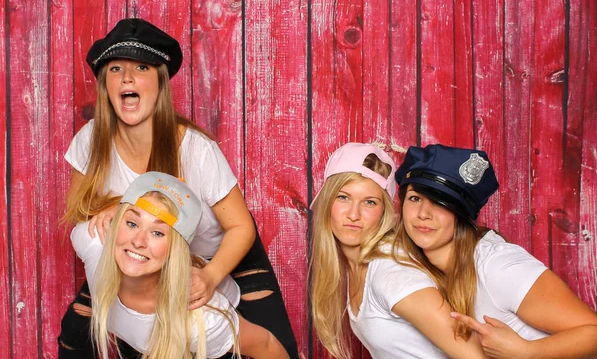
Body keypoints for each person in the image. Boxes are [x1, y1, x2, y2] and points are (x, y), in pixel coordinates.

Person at [58, 18, 298, 358]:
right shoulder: (90, 140)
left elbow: (241, 227)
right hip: (150, 259)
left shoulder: (196, 149)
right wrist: (111, 208)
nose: (127, 78)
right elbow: (79, 209)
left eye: (141, 67)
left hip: (222, 252)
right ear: (105, 84)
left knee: (275, 345)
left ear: (160, 81)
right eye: (115, 68)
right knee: (76, 332)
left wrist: (211, 276)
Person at [394, 144, 597, 359]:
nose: (423, 214)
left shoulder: (497, 265)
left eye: (440, 202)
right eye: (415, 198)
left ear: (461, 214)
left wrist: (526, 352)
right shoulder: (413, 267)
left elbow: (596, 335)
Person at [71, 171, 289, 359]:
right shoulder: (91, 241)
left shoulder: (200, 322)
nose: (138, 241)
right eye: (131, 223)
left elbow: (267, 345)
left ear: (174, 251)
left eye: (157, 232)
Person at [309, 142, 487, 359]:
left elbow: (476, 356)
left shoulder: (392, 273)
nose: (353, 214)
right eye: (343, 197)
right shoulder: (358, 266)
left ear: (383, 212)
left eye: (369, 202)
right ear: (327, 201)